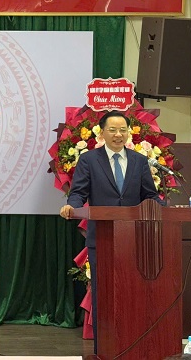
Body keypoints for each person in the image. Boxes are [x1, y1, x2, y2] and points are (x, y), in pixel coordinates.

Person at [59, 110, 162, 351]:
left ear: (129, 133)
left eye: (123, 130)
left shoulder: (139, 161)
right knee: (103, 295)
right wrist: (72, 207)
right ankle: (103, 349)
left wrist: (166, 208)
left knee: (133, 293)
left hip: (134, 239)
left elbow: (149, 196)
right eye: (113, 130)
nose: (118, 135)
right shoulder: (89, 160)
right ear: (102, 133)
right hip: (102, 239)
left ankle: (133, 346)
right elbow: (79, 192)